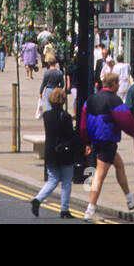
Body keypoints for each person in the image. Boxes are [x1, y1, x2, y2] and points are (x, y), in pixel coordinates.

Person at [78, 72, 134, 221]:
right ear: (114, 84)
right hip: (107, 140)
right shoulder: (114, 101)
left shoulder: (90, 100)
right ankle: (90, 210)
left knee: (120, 165)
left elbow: (83, 124)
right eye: (118, 84)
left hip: (96, 139)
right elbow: (126, 121)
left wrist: (86, 142)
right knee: (99, 175)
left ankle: (130, 198)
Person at [31, 87, 78, 219]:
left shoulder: (46, 115)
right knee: (67, 181)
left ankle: (38, 199)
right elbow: (70, 135)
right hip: (64, 152)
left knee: (52, 180)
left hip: (50, 151)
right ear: (63, 100)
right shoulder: (66, 116)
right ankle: (64, 209)